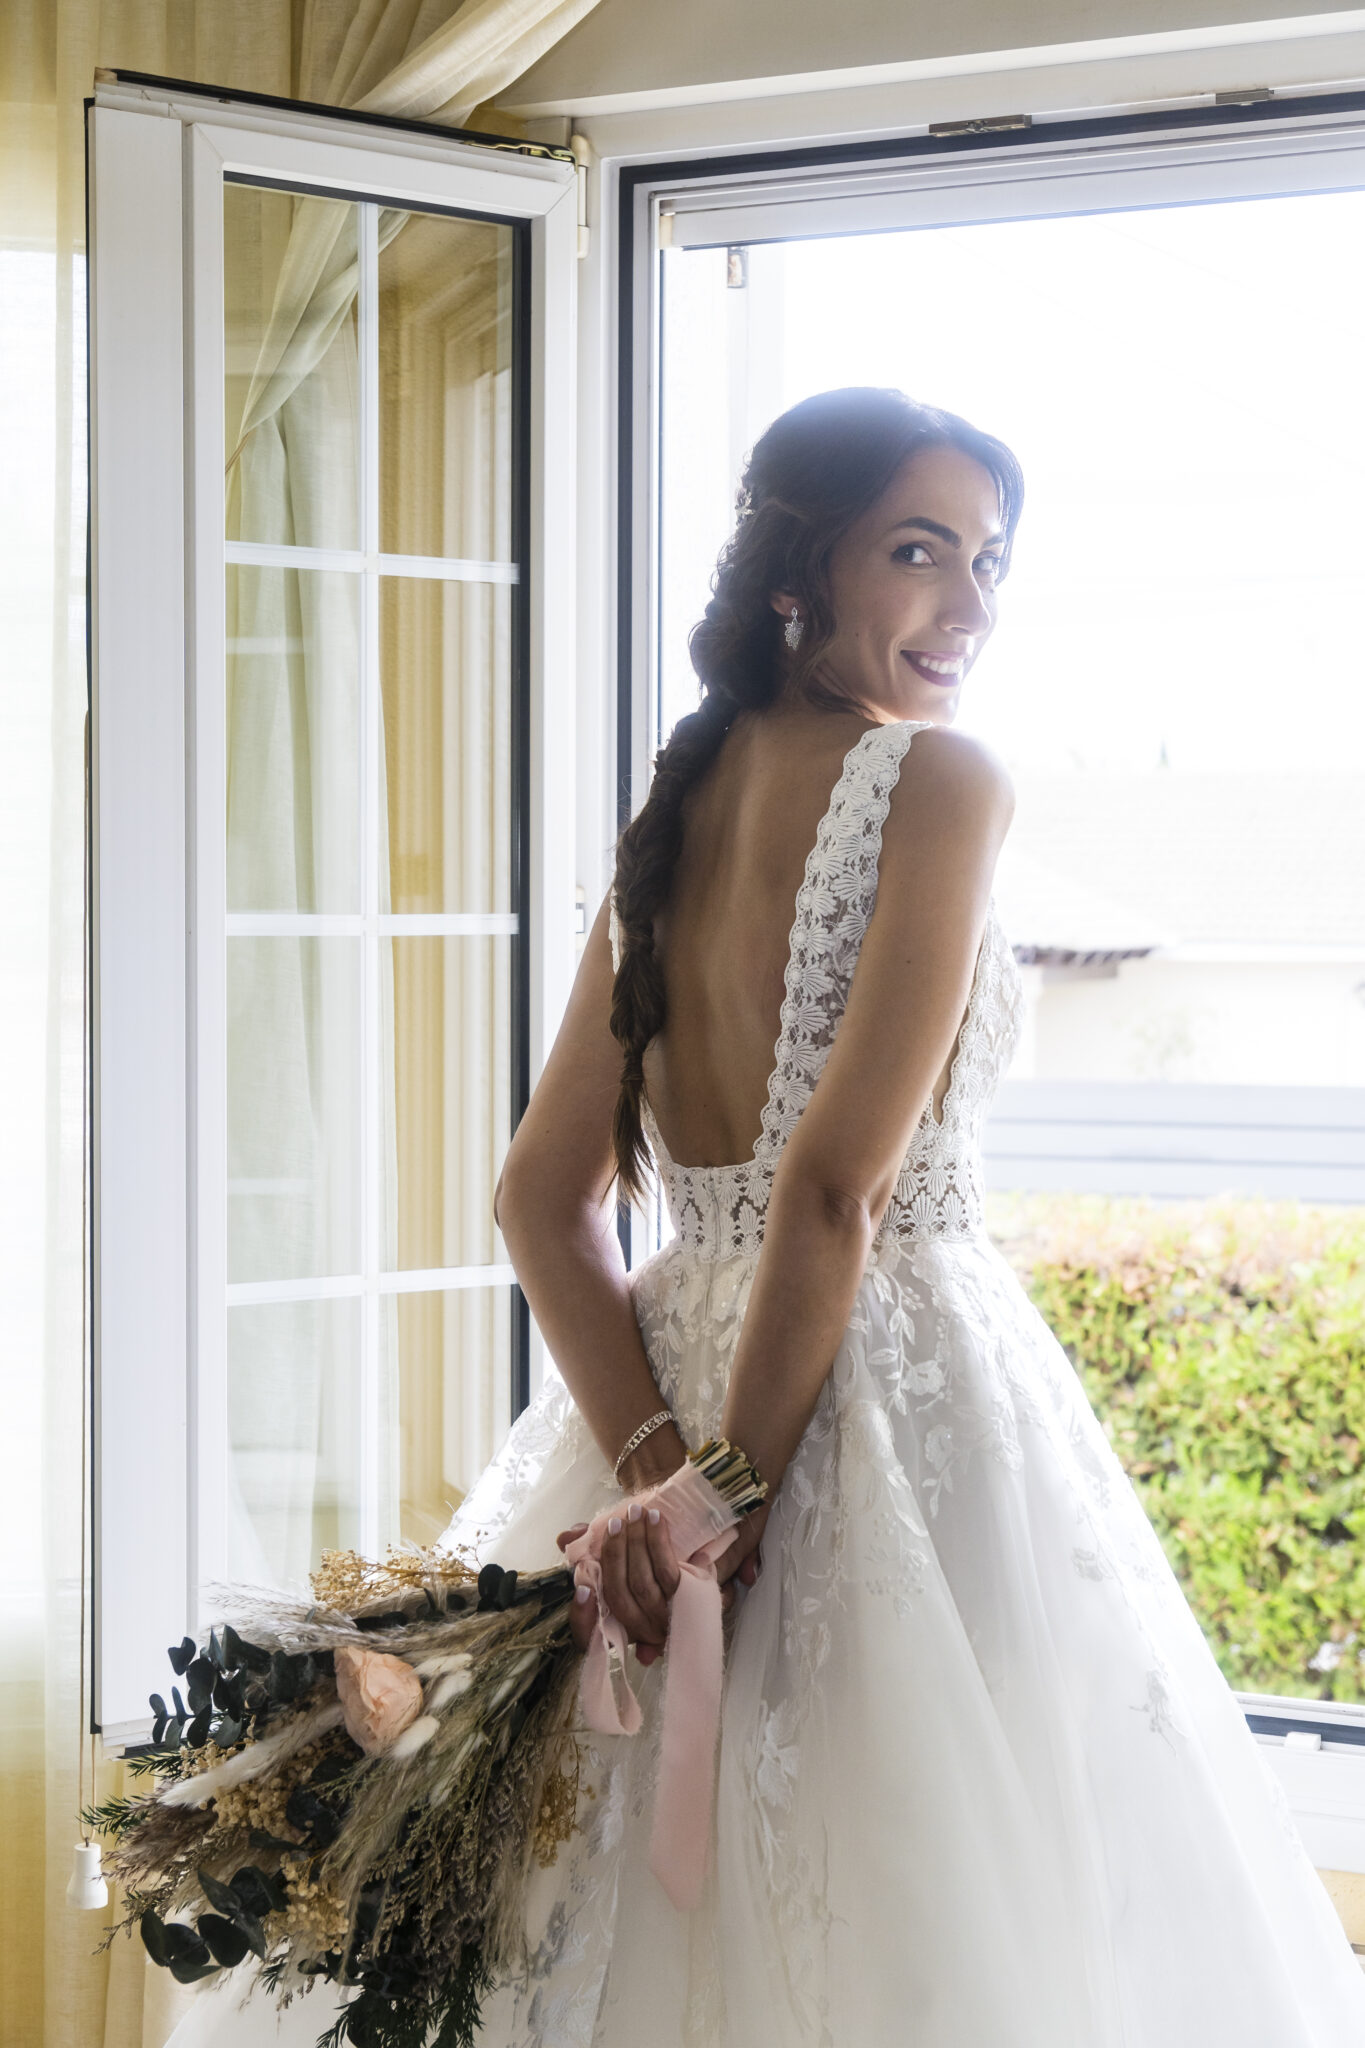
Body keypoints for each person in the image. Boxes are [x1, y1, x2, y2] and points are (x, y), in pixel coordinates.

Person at [170, 387, 1365, 2045]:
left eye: (991, 562)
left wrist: (654, 1469)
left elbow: (539, 1197)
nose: (969, 606)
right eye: (919, 552)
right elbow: (833, 1188)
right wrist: (720, 1495)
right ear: (802, 570)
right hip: (866, 1378)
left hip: (662, 1387)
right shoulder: (937, 779)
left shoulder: (679, 803)